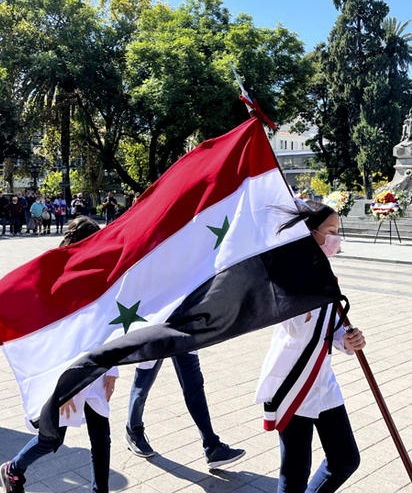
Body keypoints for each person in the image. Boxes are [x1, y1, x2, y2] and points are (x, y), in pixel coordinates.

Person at [0, 217, 117, 493]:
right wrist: (60, 388)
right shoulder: (57, 276)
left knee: (101, 436)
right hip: (66, 371)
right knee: (52, 438)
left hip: (95, 366)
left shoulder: (102, 273)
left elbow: (109, 325)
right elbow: (52, 337)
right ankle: (13, 469)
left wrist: (112, 370)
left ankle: (100, 490)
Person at [256, 200, 364, 492]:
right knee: (295, 470)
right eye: (330, 231)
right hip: (292, 380)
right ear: (309, 233)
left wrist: (347, 339)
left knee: (345, 459)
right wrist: (306, 293)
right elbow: (293, 327)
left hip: (321, 379)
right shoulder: (289, 272)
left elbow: (332, 325)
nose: (335, 239)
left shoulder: (324, 271)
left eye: (337, 231)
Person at [125, 352, 245, 469]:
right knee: (142, 385)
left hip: (183, 335)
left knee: (194, 387)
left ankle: (213, 448)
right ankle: (133, 431)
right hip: (153, 335)